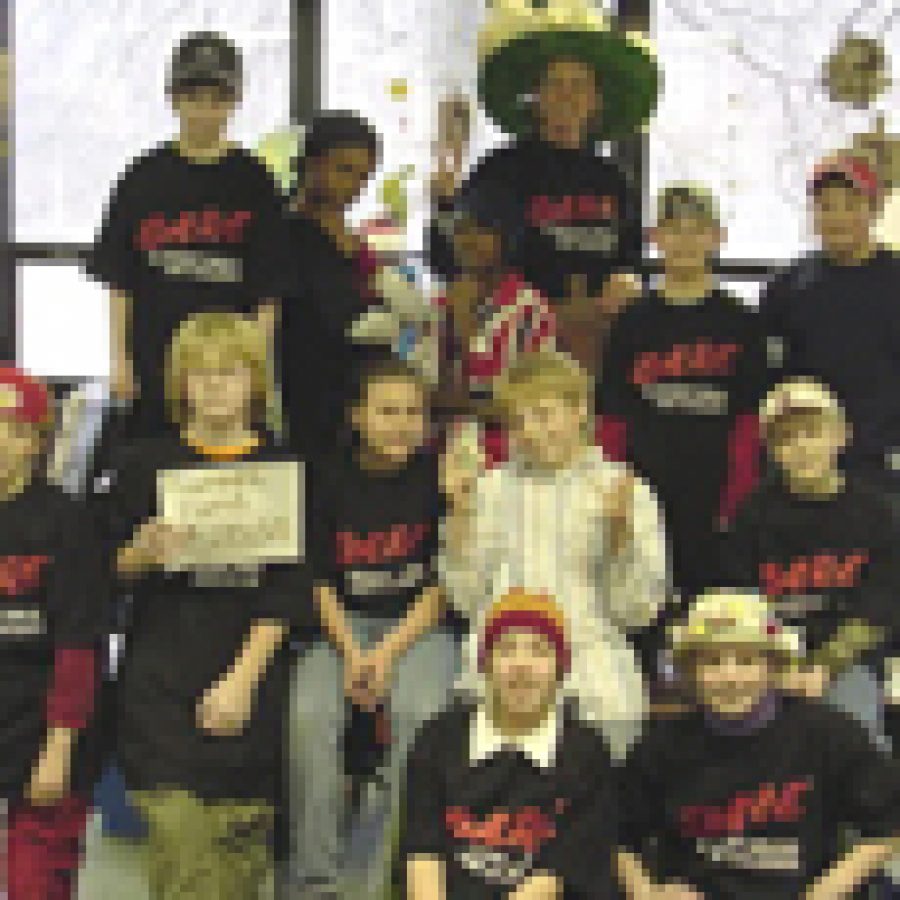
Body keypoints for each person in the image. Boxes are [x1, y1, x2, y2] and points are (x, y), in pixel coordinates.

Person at [97, 312, 311, 899]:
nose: (215, 385)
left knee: (237, 867)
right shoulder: (143, 464)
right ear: (179, 383)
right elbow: (98, 573)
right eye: (200, 373)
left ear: (256, 382)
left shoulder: (286, 468)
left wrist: (241, 683)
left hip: (251, 685)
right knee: (184, 858)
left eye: (231, 372)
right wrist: (138, 554)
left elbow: (289, 589)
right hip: (160, 689)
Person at [441, 348, 669, 760]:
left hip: (592, 655)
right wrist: (459, 515)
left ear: (579, 411)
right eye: (518, 421)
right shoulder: (488, 488)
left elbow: (638, 613)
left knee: (611, 743)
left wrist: (620, 534)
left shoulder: (623, 488)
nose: (530, 431)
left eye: (543, 414)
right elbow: (465, 600)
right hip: (505, 659)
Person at [287, 358, 457, 900]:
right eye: (387, 411)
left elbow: (444, 585)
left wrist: (385, 655)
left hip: (418, 626)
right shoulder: (325, 476)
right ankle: (317, 881)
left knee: (421, 715)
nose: (402, 424)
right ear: (357, 416)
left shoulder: (440, 476)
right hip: (341, 625)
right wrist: (355, 654)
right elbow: (318, 582)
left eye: (413, 412)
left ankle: (398, 876)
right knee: (309, 718)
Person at [616, 589, 900, 900]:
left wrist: (825, 892)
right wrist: (645, 891)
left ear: (774, 666)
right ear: (689, 672)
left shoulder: (828, 735)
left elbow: (887, 828)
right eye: (712, 662)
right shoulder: (660, 747)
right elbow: (618, 836)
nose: (730, 677)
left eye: (747, 660)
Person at [596, 183, 769, 694]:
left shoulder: (739, 320)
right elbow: (612, 415)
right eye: (674, 229)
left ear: (718, 238)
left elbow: (748, 419)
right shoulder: (634, 320)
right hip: (647, 483)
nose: (686, 241)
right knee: (644, 596)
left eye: (698, 230)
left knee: (707, 602)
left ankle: (707, 698)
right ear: (656, 238)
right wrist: (616, 484)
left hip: (712, 485)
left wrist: (737, 495)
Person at [426, 0, 660, 375]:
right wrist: (443, 204)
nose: (567, 96)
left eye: (579, 85)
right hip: (519, 341)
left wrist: (629, 280)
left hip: (596, 343)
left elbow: (630, 260)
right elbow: (450, 261)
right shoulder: (499, 171)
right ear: (535, 98)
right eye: (555, 84)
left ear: (596, 101)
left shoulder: (614, 180)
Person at [85, 31, 286, 438]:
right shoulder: (142, 178)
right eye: (194, 99)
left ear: (235, 101)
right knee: (153, 466)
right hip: (153, 359)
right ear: (173, 99)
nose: (205, 112)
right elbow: (119, 282)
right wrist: (119, 361)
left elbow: (271, 293)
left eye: (218, 100)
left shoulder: (256, 182)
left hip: (230, 370)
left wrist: (255, 367)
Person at [401, 589, 619, 899]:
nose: (522, 665)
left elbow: (549, 884)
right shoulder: (437, 740)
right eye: (506, 649)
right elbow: (422, 859)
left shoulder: (585, 752)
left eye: (539, 650)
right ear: (485, 664)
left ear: (561, 668)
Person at [718, 377, 900, 748]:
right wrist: (780, 665)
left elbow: (879, 608)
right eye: (787, 438)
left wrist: (826, 664)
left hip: (851, 659)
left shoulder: (878, 514)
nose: (802, 447)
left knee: (855, 731)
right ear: (771, 450)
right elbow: (740, 603)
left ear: (841, 436)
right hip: (767, 660)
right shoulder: (751, 516)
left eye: (812, 433)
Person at [0, 368, 106, 900]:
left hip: (46, 728)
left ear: (39, 443)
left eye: (16, 430)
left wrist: (59, 745)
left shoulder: (66, 522)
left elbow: (78, 643)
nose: (1, 443)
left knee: (33, 883)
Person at [760, 152, 900, 505]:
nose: (837, 217)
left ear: (874, 208)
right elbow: (772, 379)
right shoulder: (786, 286)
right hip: (805, 461)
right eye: (825, 206)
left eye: (850, 205)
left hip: (883, 462)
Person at [253, 111, 391, 463]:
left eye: (365, 176)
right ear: (313, 164)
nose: (355, 186)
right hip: (304, 393)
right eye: (345, 170)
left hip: (359, 396)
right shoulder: (286, 233)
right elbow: (337, 316)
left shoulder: (352, 239)